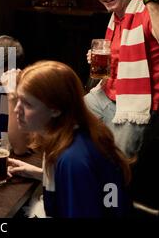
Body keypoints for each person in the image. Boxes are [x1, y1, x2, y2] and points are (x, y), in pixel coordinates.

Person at [9, 60, 131, 218]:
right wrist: (38, 173)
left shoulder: (73, 160)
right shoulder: (71, 133)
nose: (17, 109)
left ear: (55, 110)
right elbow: (90, 188)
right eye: (17, 99)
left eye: (28, 104)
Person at [83, 0, 159, 158]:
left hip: (139, 103)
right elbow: (121, 56)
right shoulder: (117, 16)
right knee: (69, 119)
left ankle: (110, 185)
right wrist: (103, 59)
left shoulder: (148, 9)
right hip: (107, 94)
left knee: (118, 163)